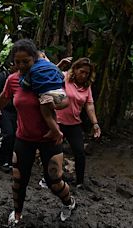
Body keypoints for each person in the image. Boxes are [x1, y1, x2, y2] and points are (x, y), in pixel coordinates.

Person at [0, 39, 76, 225]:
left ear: (34, 59)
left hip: (50, 138)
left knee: (54, 181)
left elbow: (64, 101)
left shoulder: (47, 76)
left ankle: (69, 203)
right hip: (24, 138)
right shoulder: (13, 80)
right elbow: (5, 97)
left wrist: (50, 99)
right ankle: (18, 213)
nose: (21, 66)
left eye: (25, 62)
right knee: (18, 181)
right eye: (17, 62)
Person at [56, 57, 101, 187]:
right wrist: (60, 64)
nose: (84, 75)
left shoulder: (87, 87)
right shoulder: (64, 77)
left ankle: (80, 181)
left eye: (87, 73)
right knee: (55, 151)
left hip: (74, 123)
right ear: (75, 70)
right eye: (82, 71)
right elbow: (50, 74)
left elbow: (89, 105)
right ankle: (52, 178)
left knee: (79, 152)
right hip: (57, 121)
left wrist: (95, 124)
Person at [19, 50, 70, 144]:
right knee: (52, 112)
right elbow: (62, 76)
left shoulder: (32, 69)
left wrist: (21, 77)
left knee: (47, 116)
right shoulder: (52, 66)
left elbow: (25, 85)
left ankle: (57, 132)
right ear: (43, 56)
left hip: (46, 95)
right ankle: (53, 129)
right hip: (60, 93)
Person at [0, 61, 17, 170]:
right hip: (3, 109)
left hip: (16, 111)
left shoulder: (23, 76)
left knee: (15, 135)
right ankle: (2, 159)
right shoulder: (3, 76)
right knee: (8, 134)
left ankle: (10, 159)